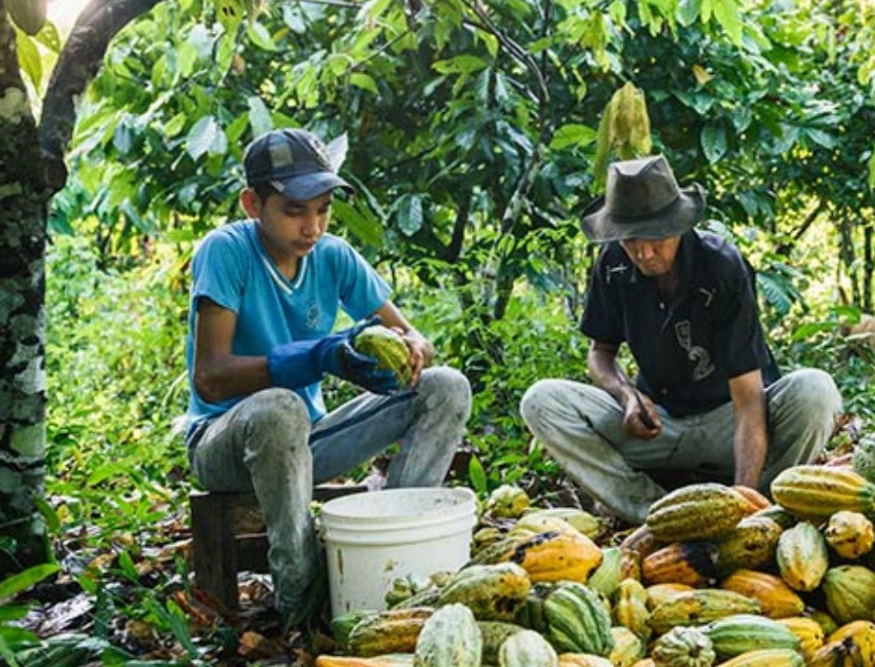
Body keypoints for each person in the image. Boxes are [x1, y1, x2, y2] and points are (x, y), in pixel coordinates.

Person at [182, 128, 471, 621]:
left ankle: (392, 550)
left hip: (307, 440)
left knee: (446, 386)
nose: (312, 226)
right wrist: (315, 357)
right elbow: (210, 376)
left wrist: (408, 351)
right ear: (254, 204)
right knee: (281, 406)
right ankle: (301, 596)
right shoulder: (226, 251)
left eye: (322, 210)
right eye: (295, 211)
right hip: (223, 441)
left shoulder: (332, 256)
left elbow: (413, 334)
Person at [521, 154, 841, 523]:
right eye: (629, 239)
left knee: (816, 389)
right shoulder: (612, 263)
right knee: (541, 400)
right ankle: (652, 513)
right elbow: (600, 352)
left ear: (677, 225)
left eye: (653, 238)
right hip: (660, 427)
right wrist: (626, 395)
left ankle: (763, 510)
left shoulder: (720, 266)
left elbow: (749, 402)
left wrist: (739, 505)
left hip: (729, 422)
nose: (642, 251)